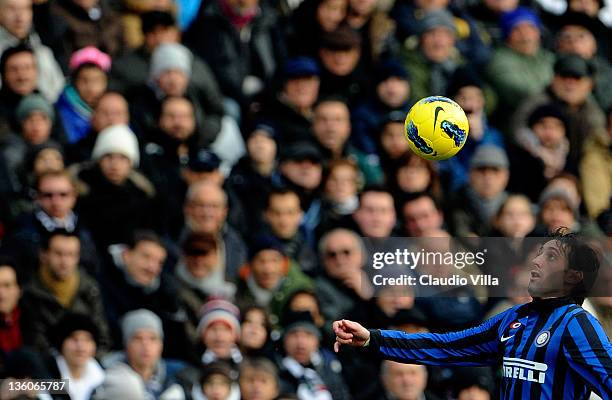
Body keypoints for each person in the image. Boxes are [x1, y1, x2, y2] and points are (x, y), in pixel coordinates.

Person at [333, 230, 612, 399]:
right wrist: (373, 339)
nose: (536, 261)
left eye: (551, 257)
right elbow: (447, 346)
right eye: (540, 253)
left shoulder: (578, 325)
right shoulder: (515, 318)